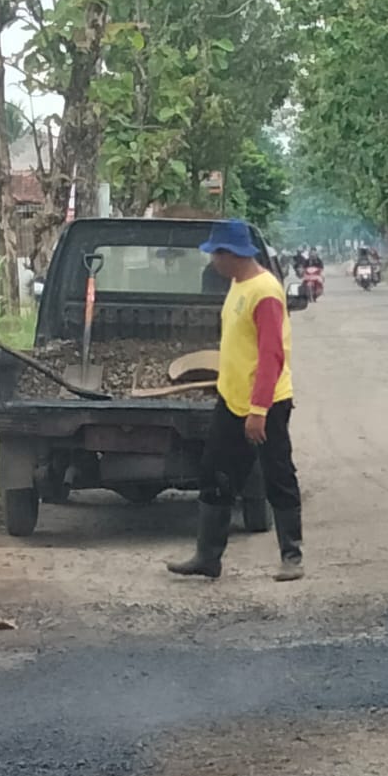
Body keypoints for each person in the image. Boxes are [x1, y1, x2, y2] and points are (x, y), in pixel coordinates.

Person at [168, 219, 303, 582]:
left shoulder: (265, 292)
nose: (213, 261)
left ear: (233, 255)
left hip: (266, 405)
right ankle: (208, 556)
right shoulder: (237, 284)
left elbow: (271, 355)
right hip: (232, 401)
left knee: (277, 475)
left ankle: (292, 555)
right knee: (215, 475)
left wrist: (258, 411)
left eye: (216, 255)